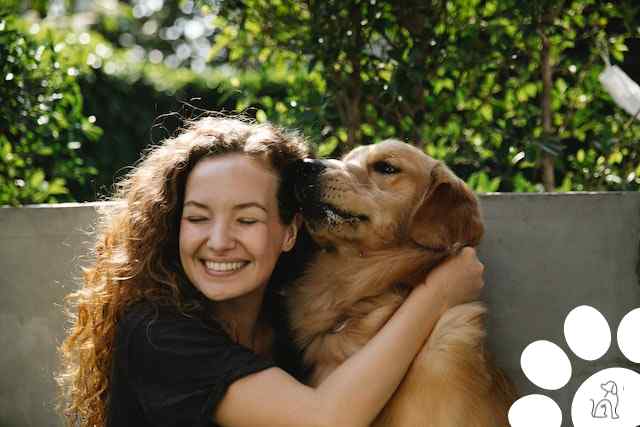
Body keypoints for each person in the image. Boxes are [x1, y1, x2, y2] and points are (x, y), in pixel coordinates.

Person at [57, 116, 485, 427]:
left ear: (290, 232)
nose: (220, 240)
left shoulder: (293, 319)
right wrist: (437, 294)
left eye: (247, 219)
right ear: (174, 224)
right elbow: (322, 421)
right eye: (198, 217)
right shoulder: (158, 334)